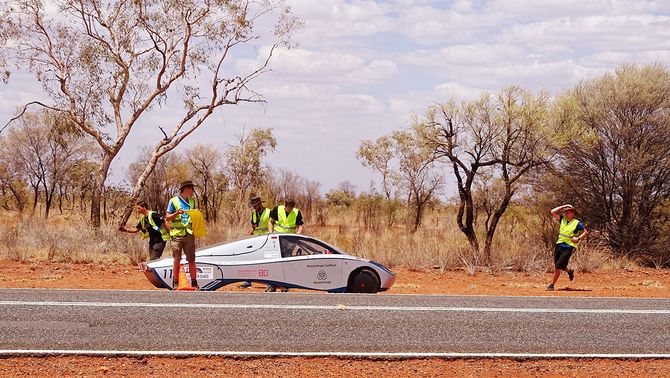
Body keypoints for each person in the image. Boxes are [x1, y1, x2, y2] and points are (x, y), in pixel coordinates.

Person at [166, 180, 199, 290]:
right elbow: (168, 217)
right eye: (191, 189)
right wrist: (176, 213)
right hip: (177, 234)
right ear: (186, 189)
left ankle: (194, 283)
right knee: (177, 259)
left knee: (191, 260)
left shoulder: (192, 201)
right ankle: (175, 282)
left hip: (189, 234)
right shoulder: (173, 201)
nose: (192, 191)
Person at [266, 198, 304, 292]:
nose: (290, 209)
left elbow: (299, 225)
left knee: (287, 264)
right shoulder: (277, 210)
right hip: (276, 240)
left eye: (292, 207)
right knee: (273, 263)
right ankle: (271, 286)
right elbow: (271, 221)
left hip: (289, 241)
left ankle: (285, 286)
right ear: (285, 205)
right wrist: (271, 233)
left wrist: (298, 234)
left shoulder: (296, 212)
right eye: (289, 207)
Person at [547, 204, 588, 291]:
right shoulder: (562, 219)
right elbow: (552, 211)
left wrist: (578, 238)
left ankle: (551, 285)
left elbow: (585, 232)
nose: (566, 213)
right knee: (559, 266)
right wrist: (564, 206)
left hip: (569, 246)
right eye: (565, 212)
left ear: (573, 213)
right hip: (559, 244)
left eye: (568, 211)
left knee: (558, 266)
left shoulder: (577, 223)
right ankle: (569, 271)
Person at [239, 195, 271, 289]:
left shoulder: (269, 212)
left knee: (267, 261)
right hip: (256, 239)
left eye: (255, 205)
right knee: (251, 259)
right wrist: (248, 237)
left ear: (260, 204)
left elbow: (272, 224)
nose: (254, 207)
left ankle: (270, 283)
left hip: (266, 239)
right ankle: (248, 281)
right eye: (253, 206)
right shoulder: (254, 213)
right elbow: (253, 227)